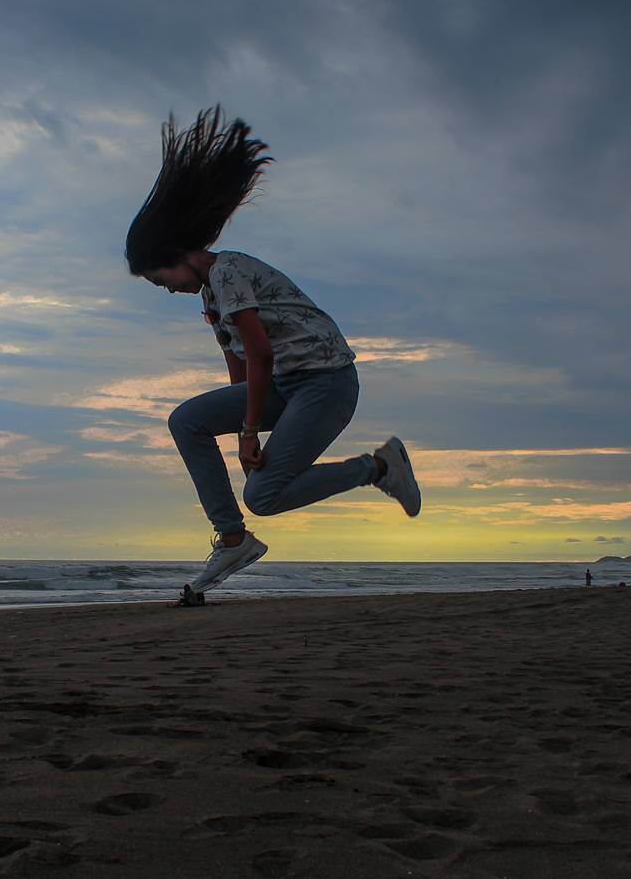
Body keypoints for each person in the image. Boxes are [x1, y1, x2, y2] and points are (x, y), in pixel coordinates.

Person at [125, 106, 421, 603]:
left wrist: (246, 432)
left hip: (326, 384)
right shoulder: (210, 296)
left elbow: (260, 354)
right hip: (285, 385)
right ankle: (233, 540)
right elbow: (241, 368)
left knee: (264, 495)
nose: (164, 289)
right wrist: (251, 426)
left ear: (178, 255)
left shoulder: (229, 271)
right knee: (187, 421)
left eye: (160, 279)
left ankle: (379, 469)